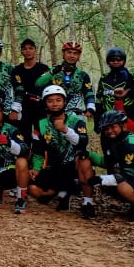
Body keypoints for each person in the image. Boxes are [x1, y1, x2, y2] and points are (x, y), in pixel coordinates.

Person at [27, 84, 95, 216]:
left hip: (73, 164)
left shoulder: (77, 121)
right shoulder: (40, 124)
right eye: (50, 101)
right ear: (45, 103)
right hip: (54, 166)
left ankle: (88, 203)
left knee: (84, 159)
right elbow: (38, 150)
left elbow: (83, 142)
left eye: (58, 100)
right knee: (34, 190)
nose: (54, 104)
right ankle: (63, 191)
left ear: (64, 102)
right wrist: (36, 168)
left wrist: (65, 130)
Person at [43, 40, 95, 123]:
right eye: (69, 52)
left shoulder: (83, 75)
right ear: (63, 54)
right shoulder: (53, 71)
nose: (72, 56)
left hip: (76, 116)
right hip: (55, 115)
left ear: (79, 56)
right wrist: (52, 72)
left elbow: (89, 94)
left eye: (75, 53)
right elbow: (39, 84)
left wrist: (90, 108)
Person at [13, 38, 49, 145]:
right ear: (21, 51)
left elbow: (48, 89)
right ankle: (25, 160)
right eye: (24, 49)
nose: (28, 51)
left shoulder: (43, 69)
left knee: (42, 138)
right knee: (24, 139)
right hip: (23, 109)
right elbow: (16, 90)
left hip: (40, 109)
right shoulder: (16, 70)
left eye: (30, 48)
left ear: (35, 50)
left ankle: (42, 160)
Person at [95, 47, 134, 129]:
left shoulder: (132, 77)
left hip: (128, 117)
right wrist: (97, 120)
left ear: (123, 61)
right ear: (108, 62)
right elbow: (99, 98)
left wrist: (129, 78)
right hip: (108, 118)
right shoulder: (104, 78)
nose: (116, 62)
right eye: (113, 60)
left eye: (119, 60)